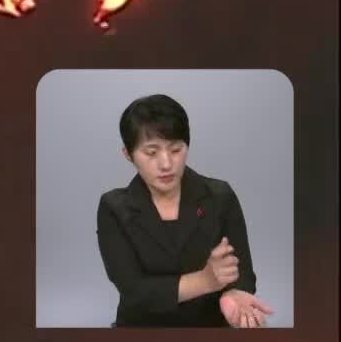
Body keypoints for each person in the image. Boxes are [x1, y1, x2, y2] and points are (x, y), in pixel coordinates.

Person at [95, 94, 274, 328]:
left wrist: (234, 295)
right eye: (151, 152)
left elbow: (242, 270)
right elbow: (135, 291)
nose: (167, 164)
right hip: (142, 330)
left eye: (176, 149)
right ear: (128, 154)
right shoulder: (113, 208)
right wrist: (206, 280)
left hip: (209, 327)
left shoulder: (220, 196)